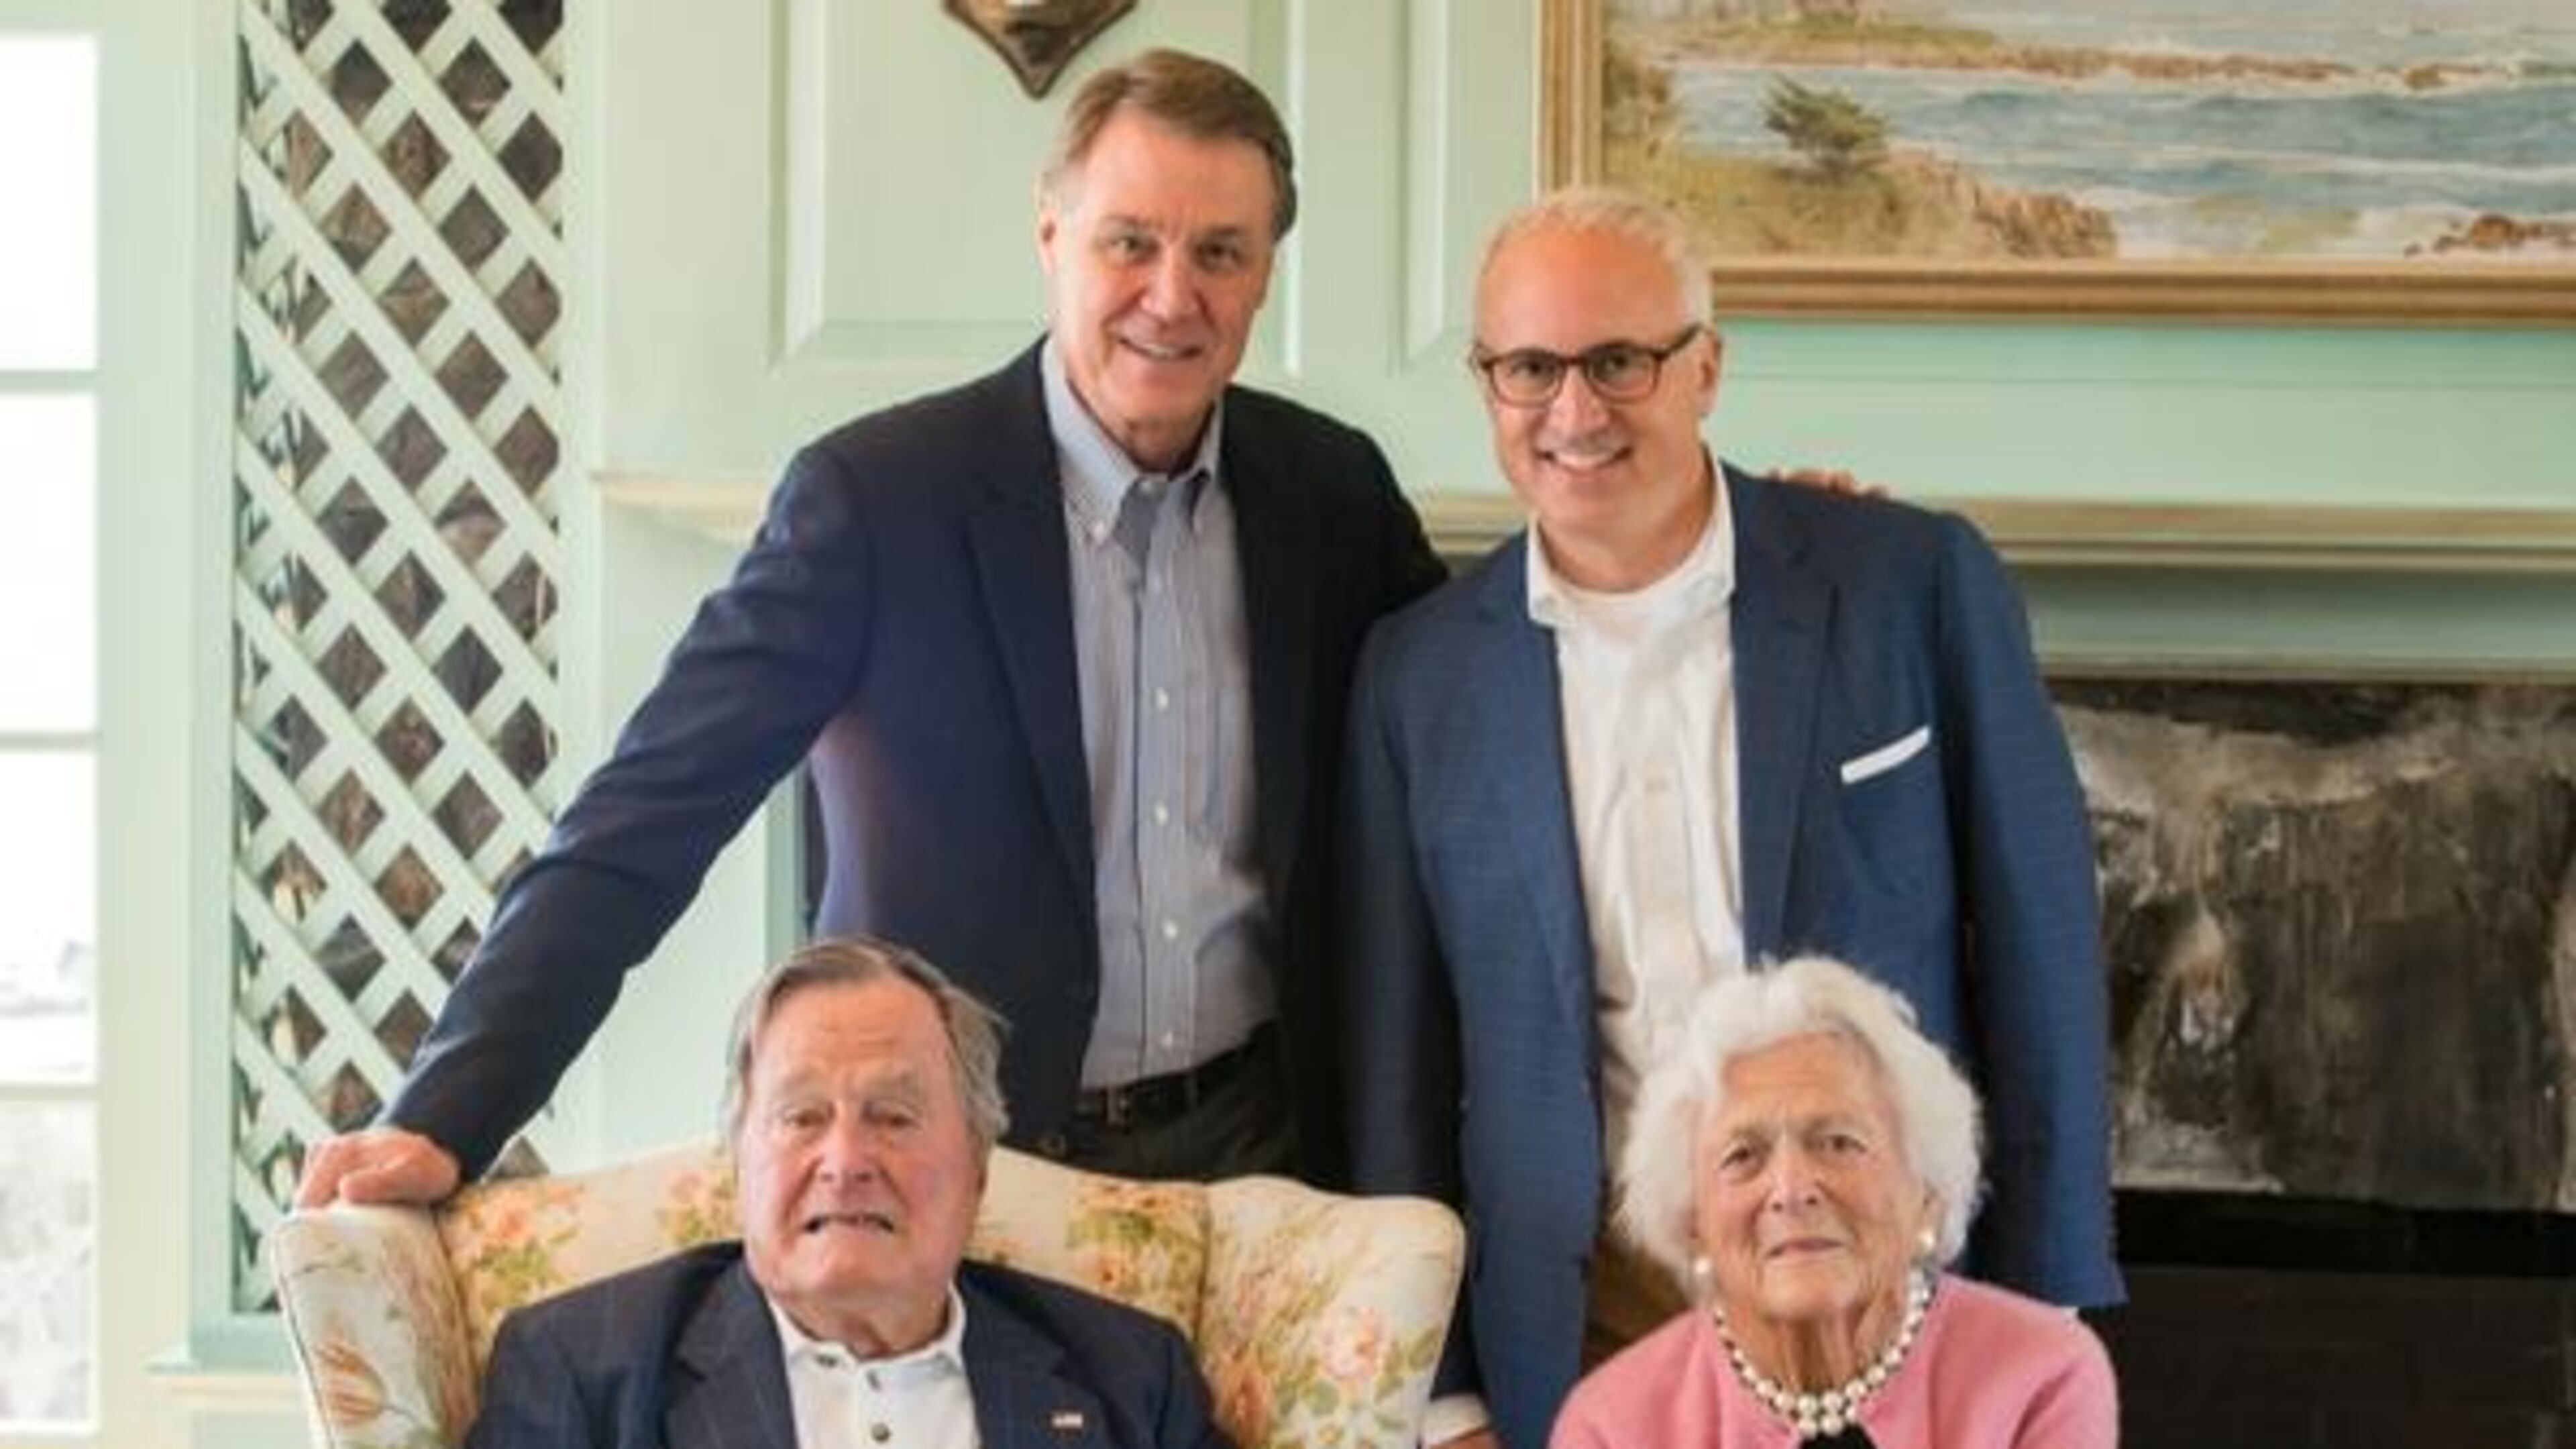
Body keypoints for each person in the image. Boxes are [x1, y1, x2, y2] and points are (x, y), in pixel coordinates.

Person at [295, 46, 1449, 1210]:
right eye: (1129, 242)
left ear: (1266, 274)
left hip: (1264, 1167)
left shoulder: (1333, 497)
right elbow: (641, 823)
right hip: (958, 1175)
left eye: (1220, 253)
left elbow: (1468, 751)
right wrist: (444, 1118)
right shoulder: (877, 501)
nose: (1171, 295)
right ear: (1051, 237)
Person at [1338, 186, 2120, 1448]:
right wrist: (1445, 1394)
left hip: (1888, 1280)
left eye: (1621, 361)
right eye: (1530, 368)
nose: (1574, 411)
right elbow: (1399, 1064)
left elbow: (2043, 954)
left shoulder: (1908, 584)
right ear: (1487, 384)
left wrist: (2048, 1303)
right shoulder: (1417, 677)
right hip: (1580, 1306)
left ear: (1707, 366)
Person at [464, 937, 1231, 1449]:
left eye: (893, 1117)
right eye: (802, 1117)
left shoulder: (1132, 1379)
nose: (846, 1160)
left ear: (977, 1171)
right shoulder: (584, 1368)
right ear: (737, 1165)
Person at [1552, 956, 2116, 1447]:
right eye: (1743, 1156)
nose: (1792, 1188)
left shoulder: (2042, 1378)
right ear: (1693, 1221)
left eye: (1839, 1143)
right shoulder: (1611, 1425)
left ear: (1926, 1192)